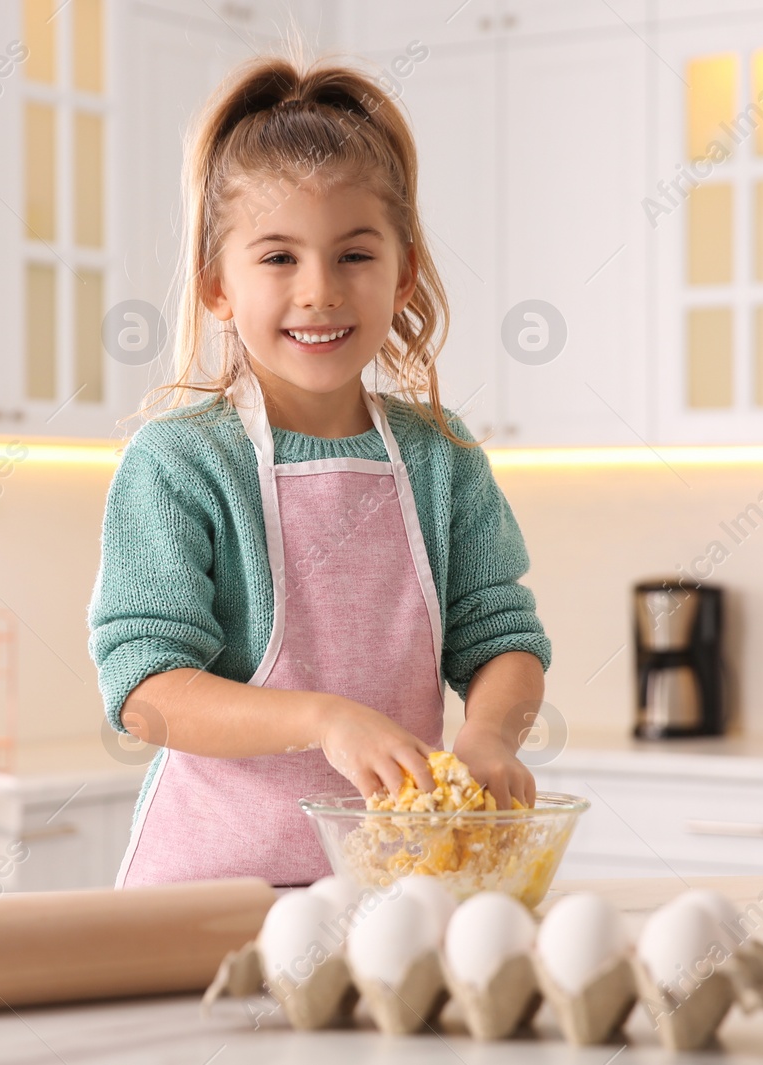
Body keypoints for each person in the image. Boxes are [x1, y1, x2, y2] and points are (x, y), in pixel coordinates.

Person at [88, 49, 551, 889]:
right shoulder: (182, 463)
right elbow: (145, 689)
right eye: (277, 258)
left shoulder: (442, 456)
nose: (319, 291)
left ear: (404, 274)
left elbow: (504, 641)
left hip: (393, 898)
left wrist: (486, 736)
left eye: (354, 255)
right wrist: (324, 719)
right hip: (208, 898)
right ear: (217, 287)